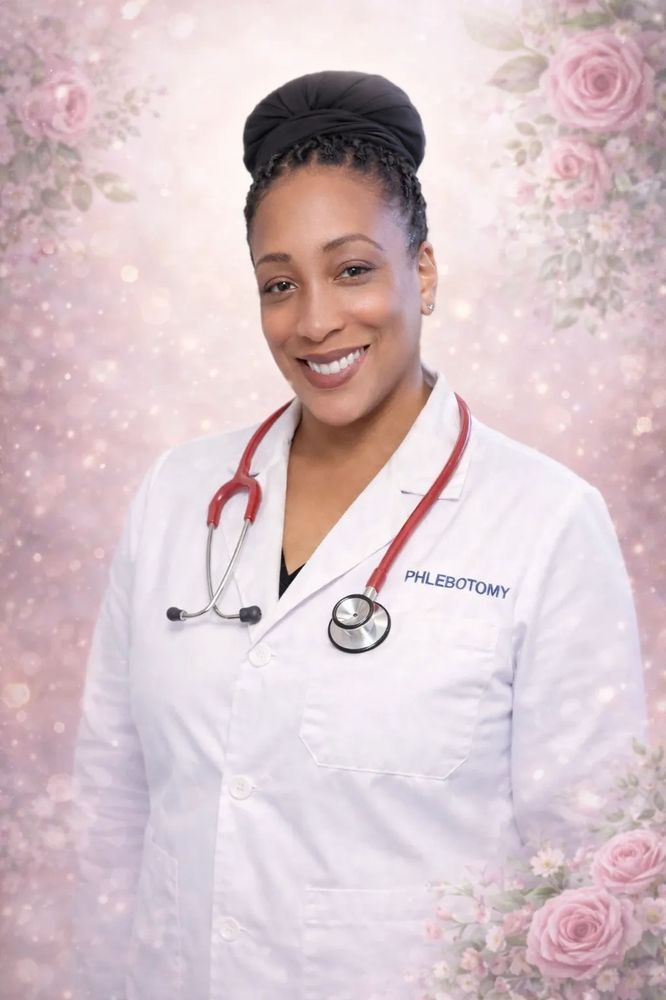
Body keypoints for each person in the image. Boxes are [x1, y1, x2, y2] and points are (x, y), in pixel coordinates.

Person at [71, 70, 649, 1000]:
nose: (314, 321)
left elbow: (588, 863)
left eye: (352, 270)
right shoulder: (176, 496)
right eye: (279, 284)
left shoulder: (545, 521)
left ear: (423, 271)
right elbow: (112, 801)